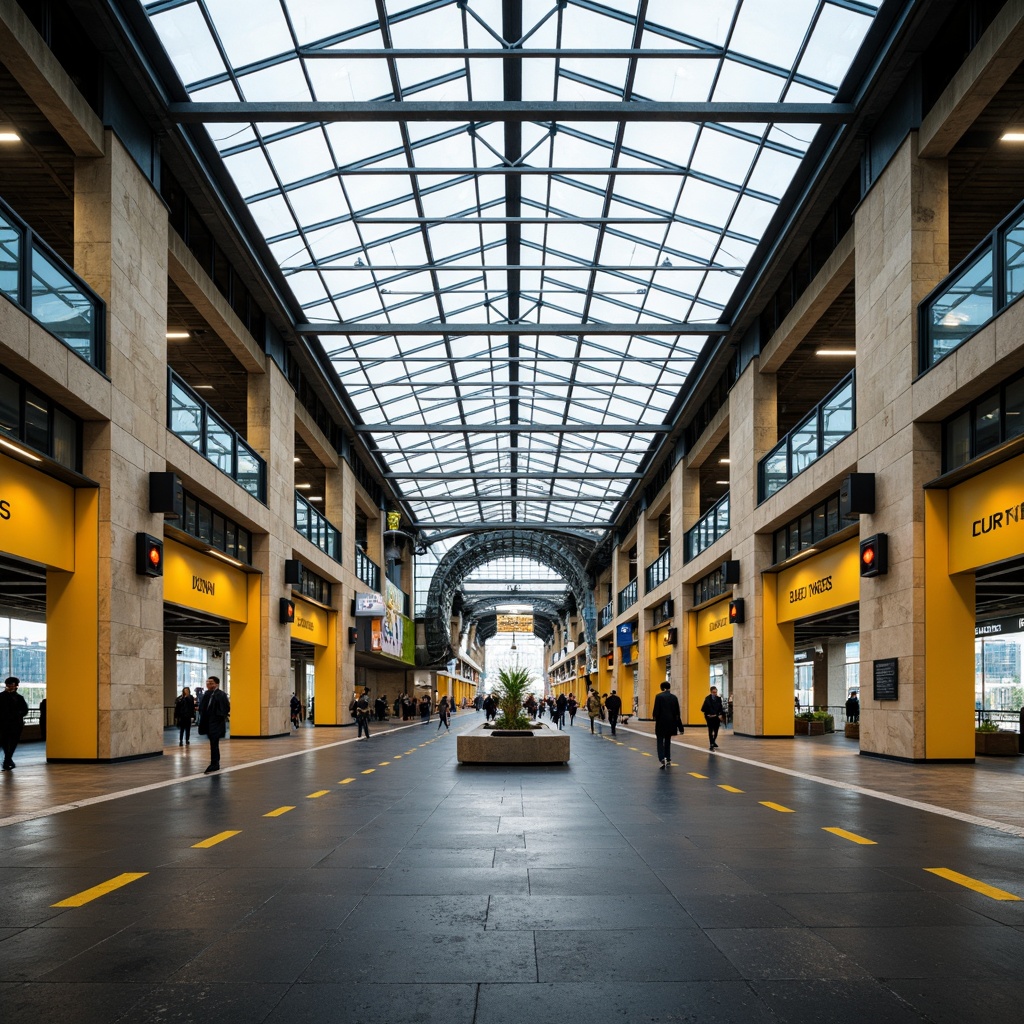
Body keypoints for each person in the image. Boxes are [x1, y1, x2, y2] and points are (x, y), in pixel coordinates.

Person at [197, 675, 230, 774]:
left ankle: (215, 763)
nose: (209, 684)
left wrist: (217, 716)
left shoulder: (221, 694)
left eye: (211, 683)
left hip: (216, 723)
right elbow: (202, 708)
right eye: (207, 682)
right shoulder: (206, 694)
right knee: (213, 743)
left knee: (214, 743)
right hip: (207, 723)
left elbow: (226, 708)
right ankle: (215, 763)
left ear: (216, 684)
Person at [652, 680, 684, 769]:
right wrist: (680, 727)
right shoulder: (674, 698)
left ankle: (662, 758)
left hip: (661, 723)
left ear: (662, 688)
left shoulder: (658, 697)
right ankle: (668, 758)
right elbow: (677, 713)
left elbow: (656, 711)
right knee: (667, 741)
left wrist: (655, 717)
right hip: (671, 723)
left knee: (659, 741)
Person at [0, 676, 29, 771]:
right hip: (6, 723)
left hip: (14, 723)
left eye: (12, 685)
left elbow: (25, 710)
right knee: (6, 741)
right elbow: (24, 711)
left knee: (12, 741)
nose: (10, 687)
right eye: (9, 685)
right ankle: (8, 760)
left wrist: (17, 714)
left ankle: (7, 759)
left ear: (16, 686)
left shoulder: (19, 698)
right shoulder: (5, 696)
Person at [701, 685, 726, 750]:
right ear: (711, 692)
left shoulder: (718, 699)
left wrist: (718, 714)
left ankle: (713, 741)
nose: (715, 694)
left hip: (716, 717)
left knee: (716, 730)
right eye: (713, 692)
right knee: (710, 730)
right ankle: (711, 744)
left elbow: (720, 708)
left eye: (716, 692)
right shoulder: (707, 699)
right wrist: (710, 714)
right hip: (709, 717)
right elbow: (703, 709)